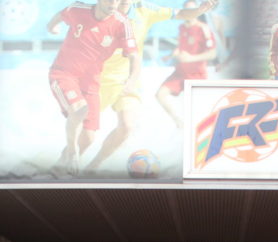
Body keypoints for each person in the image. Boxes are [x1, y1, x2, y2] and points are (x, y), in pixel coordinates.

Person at [85, 0, 217, 174]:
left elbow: (209, 49)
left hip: (139, 80)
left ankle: (93, 165)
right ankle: (66, 162)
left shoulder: (146, 11)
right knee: (86, 132)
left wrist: (200, 10)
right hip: (102, 79)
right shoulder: (101, 10)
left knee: (128, 125)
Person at [47, 0, 140, 176]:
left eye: (117, 0)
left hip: (91, 83)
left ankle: (58, 168)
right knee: (79, 109)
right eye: (110, 0)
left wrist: (132, 79)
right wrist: (51, 27)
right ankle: (72, 153)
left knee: (89, 137)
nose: (114, 3)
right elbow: (60, 15)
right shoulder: (78, 9)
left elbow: (134, 56)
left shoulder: (122, 23)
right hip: (63, 74)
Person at [156, 1, 217, 129]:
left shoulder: (203, 28)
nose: (190, 13)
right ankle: (178, 121)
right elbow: (181, 46)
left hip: (196, 75)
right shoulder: (182, 27)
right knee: (160, 94)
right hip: (180, 73)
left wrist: (191, 58)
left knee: (197, 111)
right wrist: (172, 54)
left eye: (193, 10)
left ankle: (194, 129)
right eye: (187, 10)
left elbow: (212, 54)